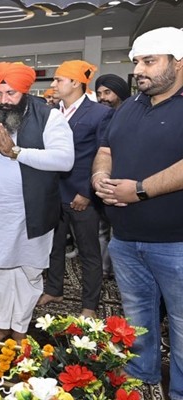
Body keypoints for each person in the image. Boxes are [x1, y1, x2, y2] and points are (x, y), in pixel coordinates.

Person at [92, 27, 183, 399]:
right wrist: (99, 176)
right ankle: (139, 377)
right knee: (137, 320)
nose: (139, 70)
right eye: (136, 63)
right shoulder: (130, 105)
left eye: (149, 61)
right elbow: (106, 149)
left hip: (176, 242)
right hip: (126, 240)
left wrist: (140, 190)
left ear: (178, 63)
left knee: (180, 325)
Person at [0, 62, 74, 341]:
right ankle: (2, 321)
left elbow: (65, 159)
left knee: (28, 272)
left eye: (11, 94)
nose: (4, 101)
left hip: (31, 211)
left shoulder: (49, 116)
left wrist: (16, 151)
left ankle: (20, 327)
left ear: (25, 90)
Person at [39, 60, 113, 318]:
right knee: (53, 247)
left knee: (89, 253)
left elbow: (101, 155)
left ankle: (89, 306)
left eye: (58, 79)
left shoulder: (99, 114)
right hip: (52, 193)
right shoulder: (51, 113)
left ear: (76, 83)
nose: (53, 84)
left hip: (81, 195)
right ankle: (54, 289)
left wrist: (86, 192)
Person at [94, 73, 130, 278]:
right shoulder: (101, 116)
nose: (103, 98)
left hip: (128, 183)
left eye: (108, 92)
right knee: (101, 231)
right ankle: (104, 271)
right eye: (99, 93)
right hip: (103, 181)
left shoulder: (131, 114)